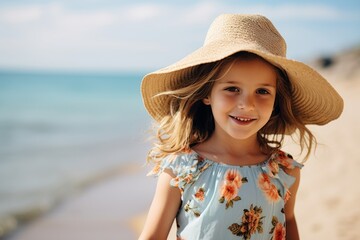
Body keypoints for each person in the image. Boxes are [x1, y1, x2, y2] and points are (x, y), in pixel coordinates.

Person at [138, 14, 343, 240]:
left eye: (263, 91)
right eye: (232, 88)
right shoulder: (182, 169)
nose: (247, 104)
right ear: (207, 93)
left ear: (276, 100)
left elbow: (289, 220)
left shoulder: (283, 170)